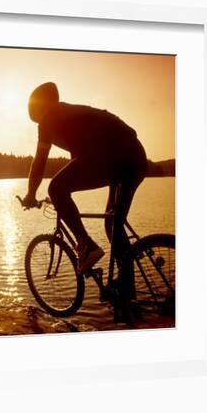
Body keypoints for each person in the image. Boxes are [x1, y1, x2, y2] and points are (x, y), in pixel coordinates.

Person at [21, 82, 147, 277]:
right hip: (135, 158)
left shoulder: (49, 117)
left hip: (114, 156)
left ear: (39, 108)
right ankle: (127, 294)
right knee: (114, 226)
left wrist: (30, 194)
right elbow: (78, 162)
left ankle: (87, 247)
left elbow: (39, 163)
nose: (37, 122)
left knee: (55, 188)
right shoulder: (72, 117)